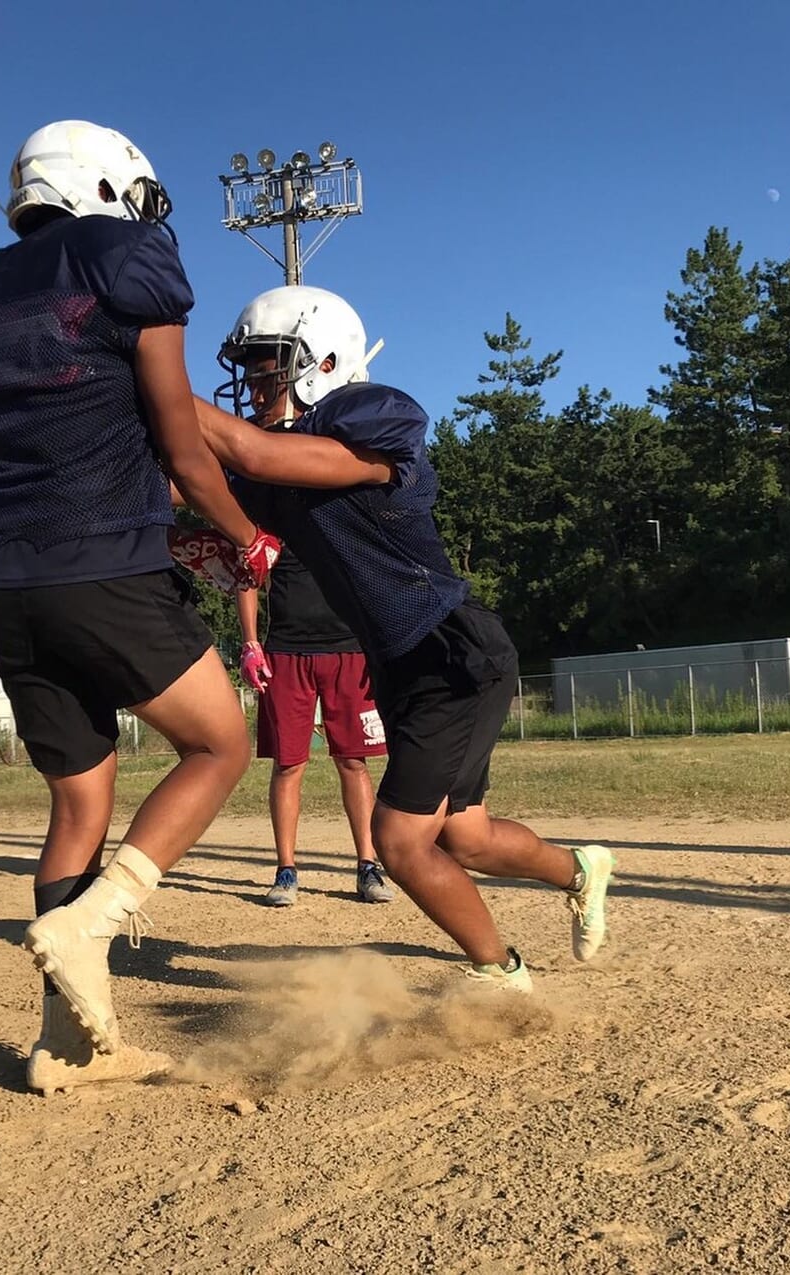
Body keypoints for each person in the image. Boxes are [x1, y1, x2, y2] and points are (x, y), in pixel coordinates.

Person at [0, 120, 279, 1094]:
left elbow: (76, 413)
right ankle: (92, 922)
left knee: (79, 801)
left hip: (10, 579)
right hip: (105, 568)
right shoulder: (125, 252)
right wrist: (246, 537)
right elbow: (179, 443)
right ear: (109, 185)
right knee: (220, 746)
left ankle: (68, 1046)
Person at [197, 285, 615, 990]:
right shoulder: (284, 461)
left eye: (267, 363)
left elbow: (250, 454)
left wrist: (151, 386)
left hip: (448, 651)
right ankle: (582, 867)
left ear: (321, 362)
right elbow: (204, 474)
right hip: (408, 662)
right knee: (465, 835)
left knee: (399, 837)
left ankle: (500, 972)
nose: (253, 381)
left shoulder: (373, 426)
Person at [237, 545, 394, 907]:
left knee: (353, 762)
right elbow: (246, 577)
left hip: (350, 651)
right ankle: (286, 871)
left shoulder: (342, 516)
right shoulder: (269, 517)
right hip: (286, 654)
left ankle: (368, 866)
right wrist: (250, 643)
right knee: (288, 765)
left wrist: (383, 641)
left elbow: (377, 576)